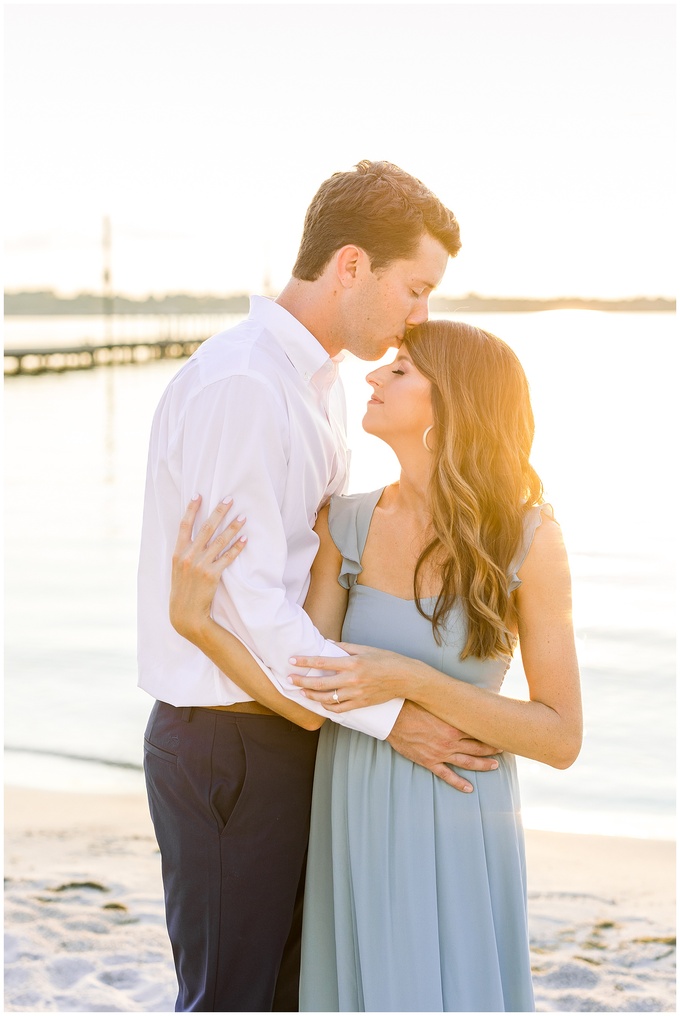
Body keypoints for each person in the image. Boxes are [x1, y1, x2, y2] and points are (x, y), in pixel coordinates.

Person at [138, 161, 502, 1013]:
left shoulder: (315, 385)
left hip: (291, 736)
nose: (424, 314)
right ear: (351, 266)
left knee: (294, 995)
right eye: (415, 288)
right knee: (234, 998)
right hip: (230, 744)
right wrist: (393, 720)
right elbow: (258, 607)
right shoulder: (246, 386)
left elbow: (308, 580)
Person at [169, 319, 582, 1012]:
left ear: (455, 401)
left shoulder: (530, 540)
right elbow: (302, 695)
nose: (373, 376)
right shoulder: (345, 524)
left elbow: (560, 737)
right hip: (352, 809)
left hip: (460, 815)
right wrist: (196, 625)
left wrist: (410, 679)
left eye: (400, 370)